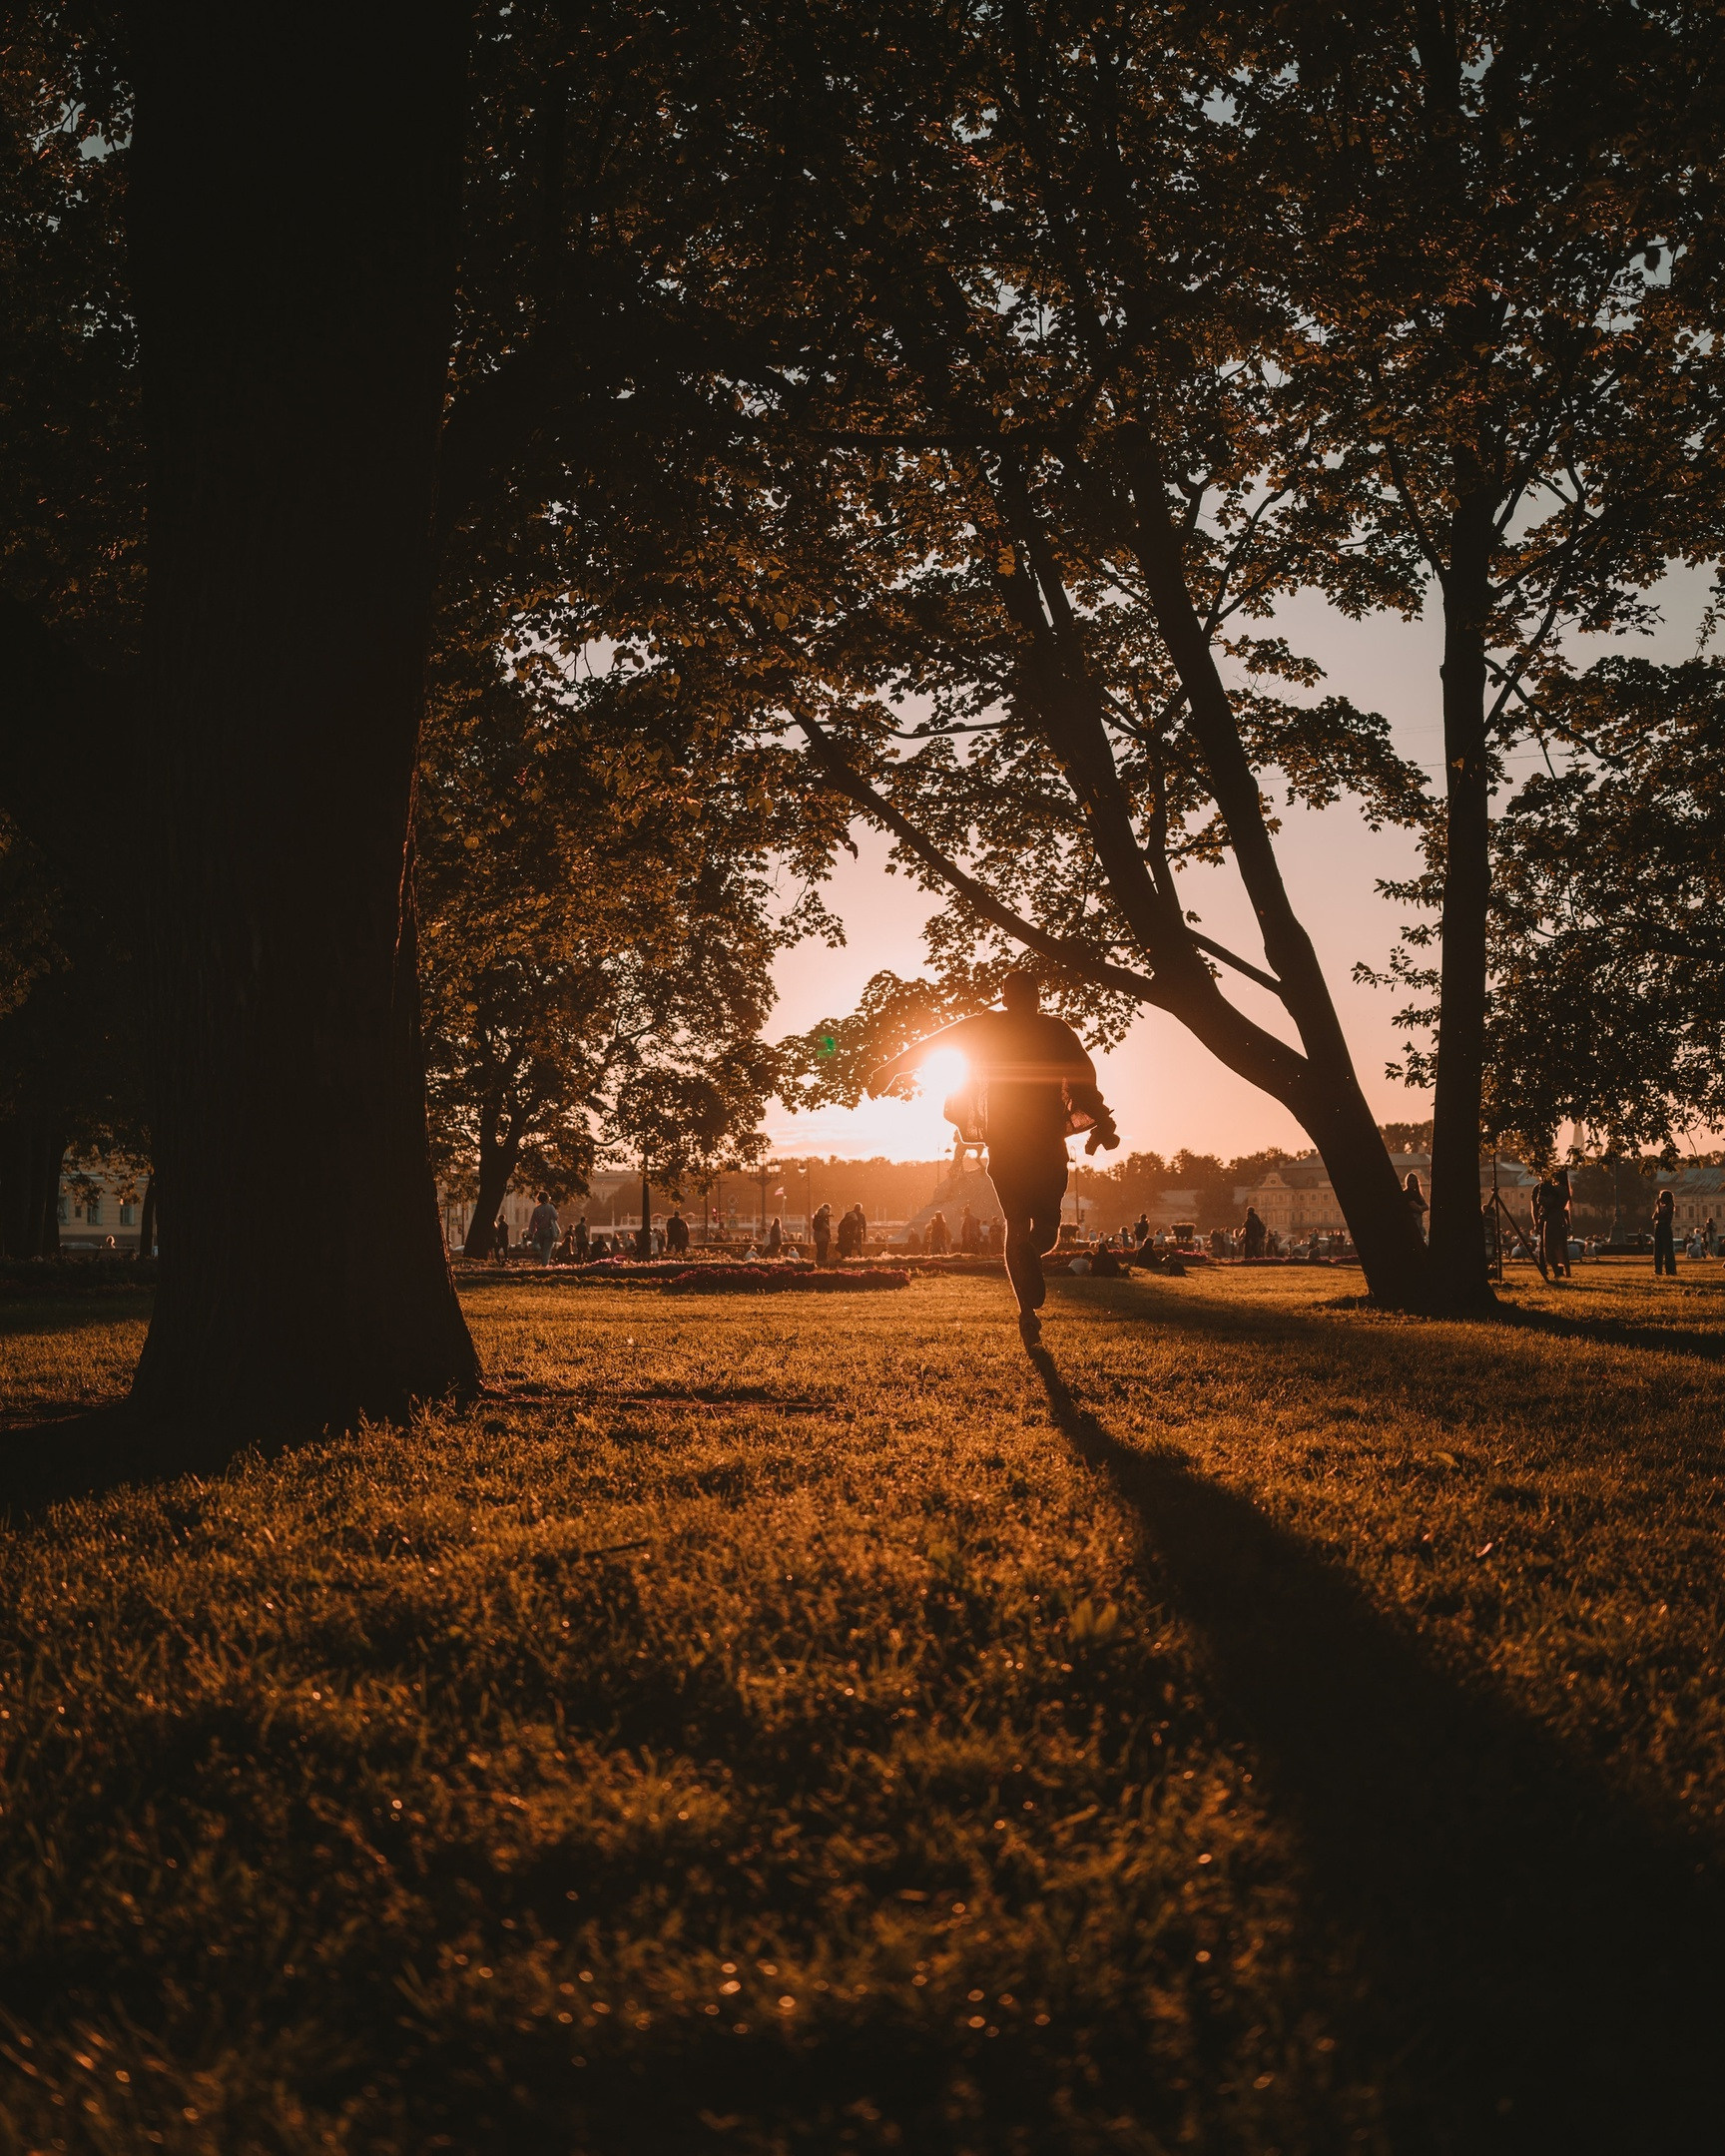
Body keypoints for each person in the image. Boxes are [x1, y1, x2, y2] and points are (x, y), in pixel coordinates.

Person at [865, 968, 1119, 1345]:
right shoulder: (1056, 1030)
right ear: (1036, 998)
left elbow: (935, 1044)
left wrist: (891, 1069)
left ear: (1005, 998)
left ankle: (1027, 1315)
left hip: (1005, 1143)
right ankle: (1033, 1254)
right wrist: (1104, 1123)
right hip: (1046, 1143)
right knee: (1046, 1228)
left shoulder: (985, 1027)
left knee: (1015, 1226)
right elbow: (1085, 1079)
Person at [1533, 1166, 1572, 1279]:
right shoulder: (1565, 1190)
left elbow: (1548, 1202)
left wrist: (1541, 1197)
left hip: (1552, 1219)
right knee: (1562, 1246)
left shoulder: (1556, 1190)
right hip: (1560, 1219)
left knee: (1550, 1246)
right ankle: (1567, 1272)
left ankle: (1556, 1271)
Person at [527, 1192, 560, 1266]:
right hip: (549, 1231)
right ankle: (544, 1265)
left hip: (539, 1232)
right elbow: (555, 1217)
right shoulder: (550, 1207)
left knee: (543, 1249)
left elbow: (533, 1222)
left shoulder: (536, 1209)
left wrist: (531, 1232)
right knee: (547, 1250)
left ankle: (543, 1263)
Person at [1653, 1187, 1677, 1276]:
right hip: (1659, 1227)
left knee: (1668, 1251)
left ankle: (1670, 1270)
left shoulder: (1670, 1207)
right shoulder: (1661, 1207)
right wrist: (1658, 1207)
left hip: (1665, 1228)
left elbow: (1662, 1216)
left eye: (1661, 1197)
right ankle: (1658, 1269)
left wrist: (1659, 1206)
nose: (1660, 1199)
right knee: (1658, 1250)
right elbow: (1654, 1216)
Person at [1403, 1171, 1429, 1242]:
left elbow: (1426, 1206)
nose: (1412, 1183)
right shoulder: (1405, 1194)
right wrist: (1420, 1208)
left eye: (1413, 1181)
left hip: (1419, 1222)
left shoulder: (1417, 1194)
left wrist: (1420, 1208)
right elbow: (1415, 1206)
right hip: (1412, 1221)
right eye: (1410, 1181)